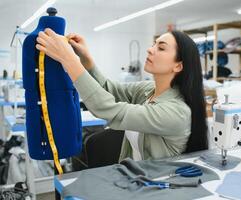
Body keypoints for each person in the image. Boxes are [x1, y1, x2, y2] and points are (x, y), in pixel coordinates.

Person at [36, 29, 208, 161]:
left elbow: (107, 108)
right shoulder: (149, 90)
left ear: (178, 66)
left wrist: (68, 59)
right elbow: (110, 89)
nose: (150, 49)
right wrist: (86, 59)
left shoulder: (177, 112)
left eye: (161, 48)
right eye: (154, 44)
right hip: (136, 179)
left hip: (158, 187)